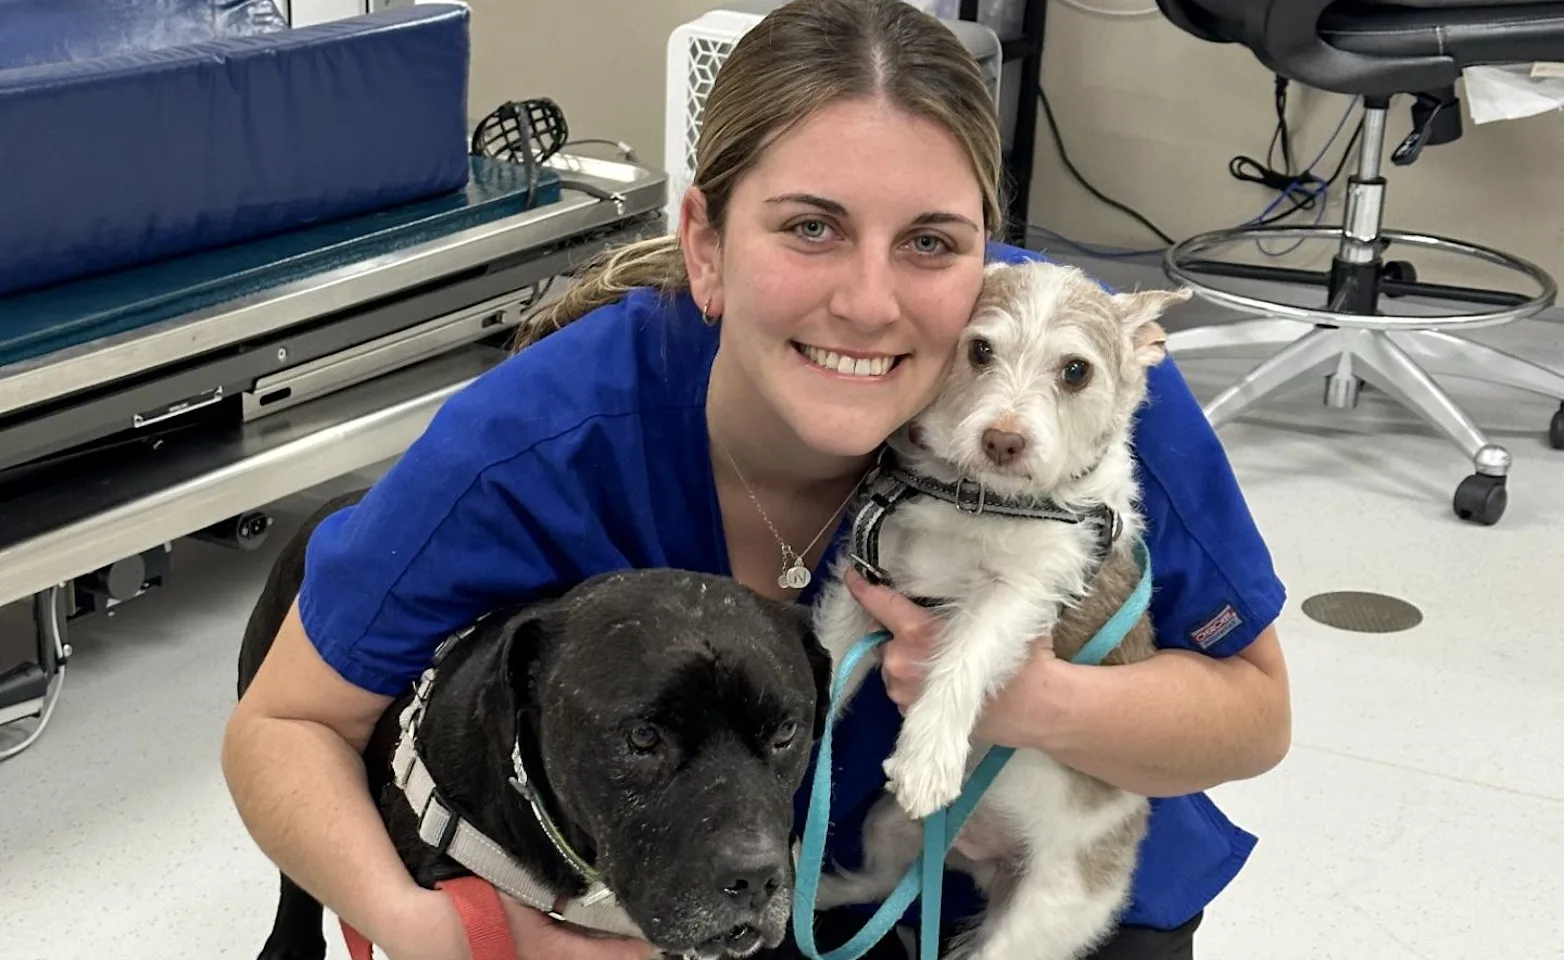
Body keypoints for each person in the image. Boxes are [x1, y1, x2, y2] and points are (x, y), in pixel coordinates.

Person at [221, 1, 1292, 958]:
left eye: (930, 241)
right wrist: (446, 935)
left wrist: (1032, 700)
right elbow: (287, 727)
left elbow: (1251, 717)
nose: (871, 304)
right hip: (725, 903)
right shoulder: (541, 443)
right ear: (706, 246)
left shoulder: (1066, 373)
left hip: (1035, 905)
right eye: (810, 227)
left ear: (985, 260)